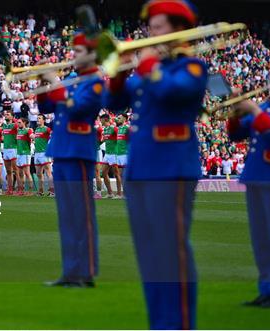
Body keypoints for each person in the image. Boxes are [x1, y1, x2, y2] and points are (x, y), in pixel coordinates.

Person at [106, 0, 207, 328]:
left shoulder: (190, 68)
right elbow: (115, 102)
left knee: (171, 249)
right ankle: (159, 323)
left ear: (179, 30)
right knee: (148, 253)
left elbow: (171, 92)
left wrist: (147, 66)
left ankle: (178, 324)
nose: (151, 33)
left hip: (171, 167)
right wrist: (121, 70)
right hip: (141, 168)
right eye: (151, 27)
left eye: (159, 27)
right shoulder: (150, 70)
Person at [37, 31, 103, 287]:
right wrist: (44, 87)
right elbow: (46, 108)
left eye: (79, 51)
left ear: (92, 55)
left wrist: (54, 82)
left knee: (81, 213)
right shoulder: (73, 81)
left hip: (78, 150)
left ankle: (84, 272)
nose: (73, 56)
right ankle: (70, 270)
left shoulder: (95, 82)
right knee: (66, 215)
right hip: (61, 149)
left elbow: (76, 107)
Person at [227, 53, 270, 309]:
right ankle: (266, 288)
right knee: (261, 238)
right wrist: (234, 112)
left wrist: (253, 109)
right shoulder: (266, 105)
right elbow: (237, 134)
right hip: (256, 176)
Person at [32, 114, 54, 196]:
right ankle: (40, 191)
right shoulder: (37, 129)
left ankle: (52, 191)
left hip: (44, 153)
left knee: (48, 172)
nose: (37, 119)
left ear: (43, 120)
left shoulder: (46, 129)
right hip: (37, 153)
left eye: (39, 118)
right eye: (37, 118)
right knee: (38, 173)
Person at [2, 110, 19, 194]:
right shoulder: (4, 125)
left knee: (16, 170)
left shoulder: (15, 125)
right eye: (5, 114)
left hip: (13, 149)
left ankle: (20, 189)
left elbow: (20, 132)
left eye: (8, 115)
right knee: (8, 171)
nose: (6, 116)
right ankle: (10, 189)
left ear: (12, 116)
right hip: (5, 149)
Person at [16, 117, 34, 195]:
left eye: (19, 122)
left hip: (25, 154)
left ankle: (30, 191)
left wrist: (34, 137)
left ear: (24, 123)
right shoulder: (18, 131)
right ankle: (21, 189)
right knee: (20, 173)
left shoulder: (28, 130)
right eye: (18, 122)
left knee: (27, 173)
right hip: (19, 153)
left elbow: (32, 136)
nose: (18, 124)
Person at [100, 114, 116, 198]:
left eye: (101, 119)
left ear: (105, 119)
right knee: (103, 172)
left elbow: (120, 140)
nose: (100, 121)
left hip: (114, 153)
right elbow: (102, 141)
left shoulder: (113, 128)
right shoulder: (104, 130)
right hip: (107, 153)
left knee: (117, 174)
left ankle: (121, 194)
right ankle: (110, 193)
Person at [114, 114, 129, 198]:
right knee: (117, 174)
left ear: (124, 119)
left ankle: (126, 193)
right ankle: (119, 193)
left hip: (125, 154)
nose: (118, 119)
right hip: (118, 154)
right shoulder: (118, 129)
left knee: (124, 174)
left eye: (120, 118)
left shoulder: (127, 128)